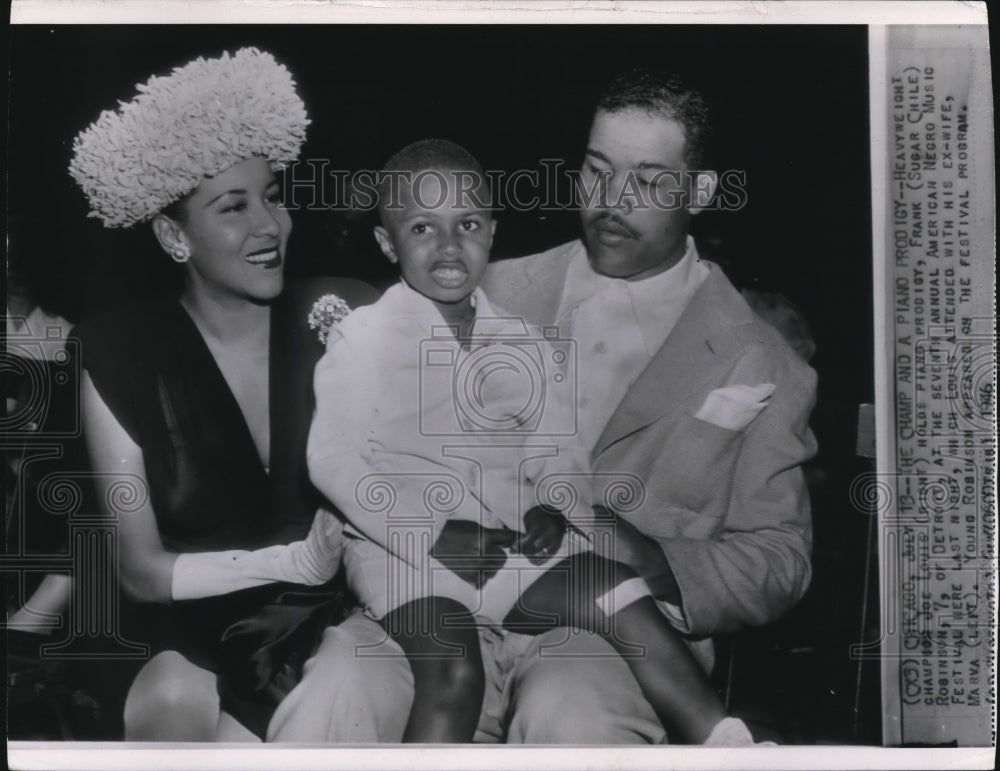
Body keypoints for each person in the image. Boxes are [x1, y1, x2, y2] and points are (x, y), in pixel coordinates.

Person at [302, 138, 765, 745]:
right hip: (406, 557)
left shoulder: (523, 340)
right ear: (388, 244)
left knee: (612, 588)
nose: (448, 246)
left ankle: (724, 740)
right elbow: (333, 461)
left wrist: (555, 501)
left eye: (466, 223)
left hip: (503, 550)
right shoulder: (363, 339)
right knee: (455, 668)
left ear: (491, 232)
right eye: (422, 228)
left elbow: (557, 448)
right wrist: (434, 534)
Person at [67, 47, 401, 741]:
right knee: (175, 701)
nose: (270, 226)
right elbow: (139, 570)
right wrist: (286, 561)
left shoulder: (345, 310)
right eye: (233, 206)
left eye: (273, 196)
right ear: (172, 234)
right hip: (181, 642)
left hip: (326, 633)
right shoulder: (119, 353)